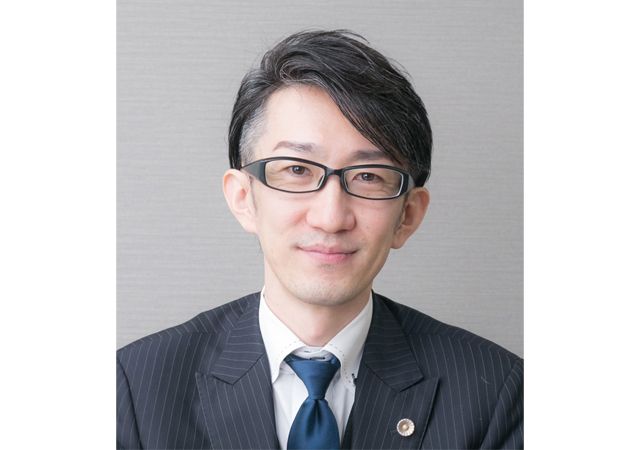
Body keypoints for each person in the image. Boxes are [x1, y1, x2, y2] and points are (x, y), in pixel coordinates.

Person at [117, 30, 523, 449]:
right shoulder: (136, 388)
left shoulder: (497, 394)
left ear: (408, 215)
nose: (331, 218)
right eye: (296, 170)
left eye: (368, 177)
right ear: (243, 198)